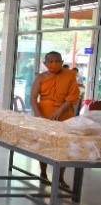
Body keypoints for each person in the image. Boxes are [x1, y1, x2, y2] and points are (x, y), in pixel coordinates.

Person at [30, 51, 80, 190]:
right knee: (44, 144)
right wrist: (39, 116)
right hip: (45, 112)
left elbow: (73, 96)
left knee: (64, 145)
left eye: (57, 61)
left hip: (65, 112)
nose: (54, 64)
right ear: (45, 63)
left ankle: (60, 177)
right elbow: (33, 98)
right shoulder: (40, 77)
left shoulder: (69, 75)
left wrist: (60, 110)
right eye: (51, 61)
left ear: (62, 61)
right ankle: (43, 173)